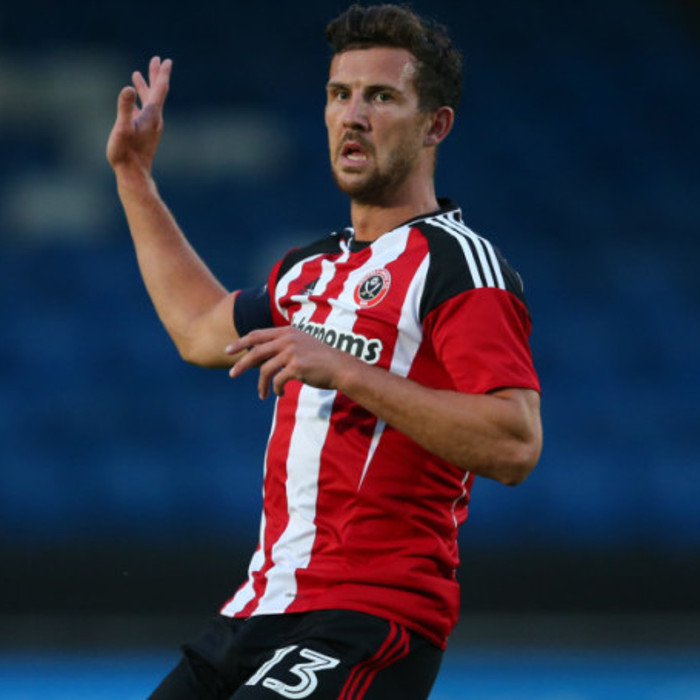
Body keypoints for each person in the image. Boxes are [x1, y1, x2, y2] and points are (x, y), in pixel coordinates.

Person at [106, 4, 542, 698]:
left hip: (369, 618)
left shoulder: (458, 266)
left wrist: (345, 369)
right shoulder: (311, 267)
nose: (353, 116)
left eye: (381, 97)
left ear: (435, 125)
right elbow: (199, 330)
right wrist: (135, 178)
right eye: (340, 94)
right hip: (258, 609)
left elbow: (514, 443)